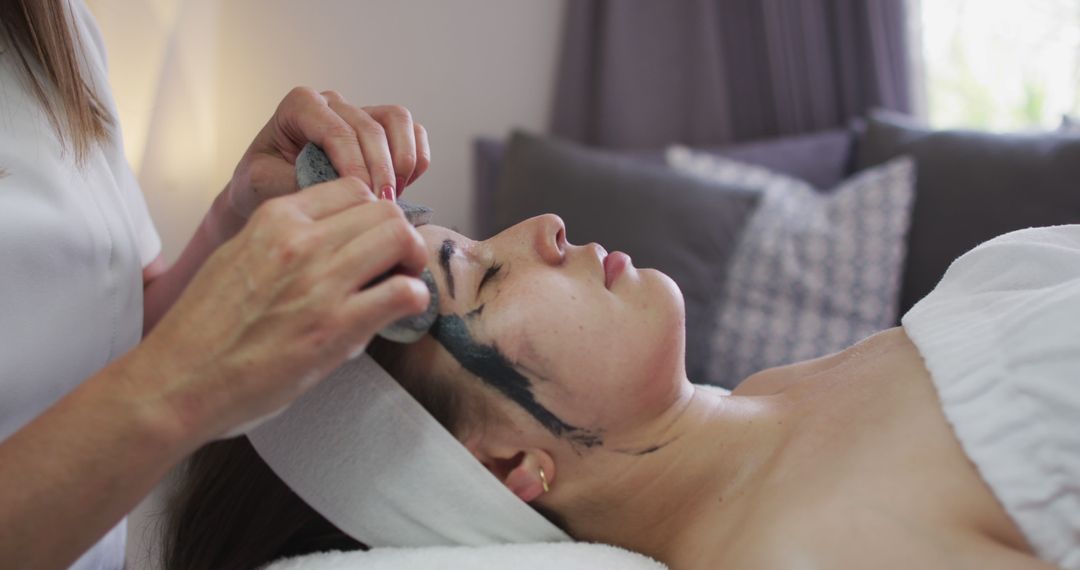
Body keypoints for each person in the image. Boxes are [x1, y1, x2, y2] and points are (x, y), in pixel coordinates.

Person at [166, 215, 1080, 569]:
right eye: (483, 280)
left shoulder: (770, 407)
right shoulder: (808, 548)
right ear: (511, 466)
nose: (544, 229)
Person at [0, 1, 436, 568]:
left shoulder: (57, 27)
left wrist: (234, 214)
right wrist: (181, 384)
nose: (553, 229)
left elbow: (115, 335)